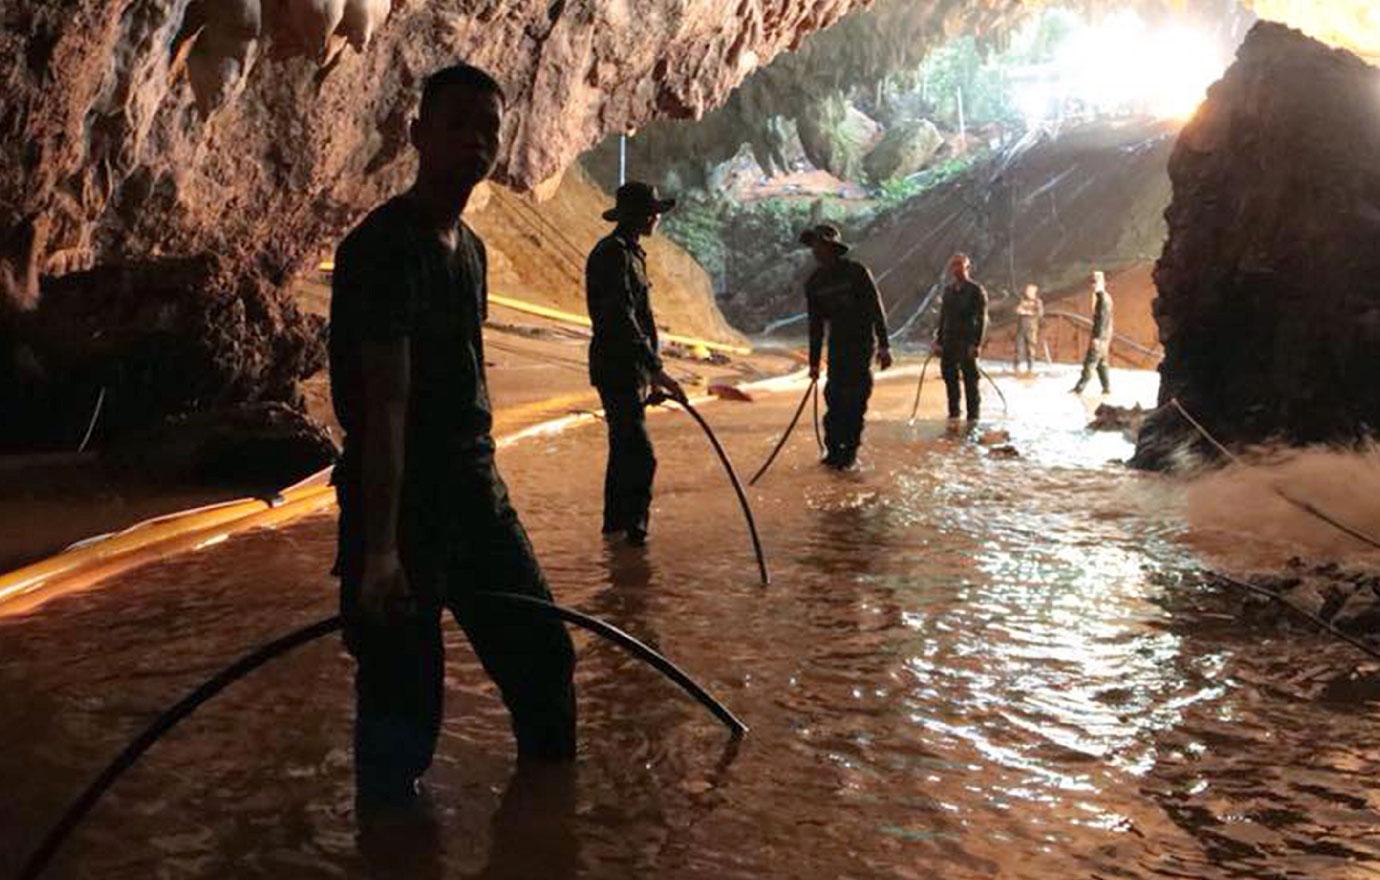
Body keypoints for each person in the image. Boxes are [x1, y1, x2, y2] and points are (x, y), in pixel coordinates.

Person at [328, 63, 577, 817]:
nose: (475, 140)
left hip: (475, 492)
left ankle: (549, 838)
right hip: (401, 505)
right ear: (417, 136)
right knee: (404, 717)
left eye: (489, 129)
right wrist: (378, 554)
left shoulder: (469, 249)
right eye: (457, 124)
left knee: (544, 660)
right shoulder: (382, 247)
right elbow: (386, 404)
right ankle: (391, 851)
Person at [586, 181, 685, 546]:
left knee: (625, 449)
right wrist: (657, 368)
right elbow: (621, 318)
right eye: (654, 212)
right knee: (641, 456)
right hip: (616, 366)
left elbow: (640, 318)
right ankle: (633, 534)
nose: (657, 218)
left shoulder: (631, 253)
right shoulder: (612, 254)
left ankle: (615, 532)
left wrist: (651, 374)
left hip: (630, 367)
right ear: (644, 216)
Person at [801, 223, 892, 468]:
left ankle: (849, 454)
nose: (815, 251)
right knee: (834, 399)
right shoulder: (815, 283)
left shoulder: (857, 272)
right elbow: (816, 326)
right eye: (813, 246)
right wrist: (813, 363)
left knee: (855, 401)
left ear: (831, 247)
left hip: (862, 346)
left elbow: (876, 308)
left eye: (819, 245)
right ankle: (833, 453)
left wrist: (884, 345)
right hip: (838, 347)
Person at [935, 253, 989, 421]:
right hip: (949, 341)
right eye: (954, 265)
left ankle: (973, 419)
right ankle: (954, 416)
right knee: (950, 379)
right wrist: (938, 341)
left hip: (967, 342)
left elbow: (982, 319)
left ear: (967, 267)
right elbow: (943, 317)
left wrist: (976, 344)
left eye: (960, 265)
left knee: (970, 381)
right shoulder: (948, 291)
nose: (957, 268)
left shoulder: (976, 290)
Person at [1072, 270, 1114, 395]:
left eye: (1095, 283)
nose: (1093, 285)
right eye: (1092, 283)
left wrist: (1098, 338)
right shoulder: (1105, 297)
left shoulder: (1102, 299)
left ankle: (1079, 388)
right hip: (1105, 337)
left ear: (1102, 283)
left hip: (1101, 337)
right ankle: (1107, 389)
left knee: (1090, 363)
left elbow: (1103, 319)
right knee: (1102, 364)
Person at [1013, 283, 1043, 374]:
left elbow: (1040, 313)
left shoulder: (1037, 302)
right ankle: (1016, 367)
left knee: (1031, 348)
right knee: (1019, 347)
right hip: (1021, 328)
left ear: (1034, 292)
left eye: (1029, 291)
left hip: (1031, 328)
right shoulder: (1022, 300)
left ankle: (1030, 367)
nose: (1027, 292)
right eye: (1027, 291)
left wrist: (1027, 312)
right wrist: (1023, 310)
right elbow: (1017, 310)